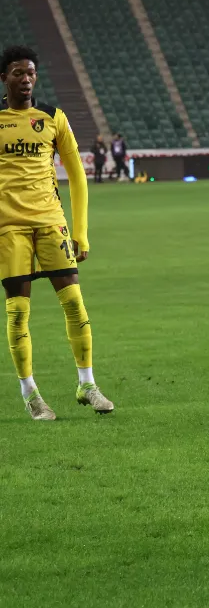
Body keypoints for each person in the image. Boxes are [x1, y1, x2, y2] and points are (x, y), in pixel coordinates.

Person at [0, 45, 114, 419]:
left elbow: (77, 175)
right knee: (18, 312)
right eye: (18, 72)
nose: (26, 79)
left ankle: (87, 385)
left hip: (51, 222)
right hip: (9, 228)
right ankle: (30, 393)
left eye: (31, 72)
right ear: (4, 78)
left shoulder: (53, 117)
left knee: (75, 304)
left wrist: (81, 231)